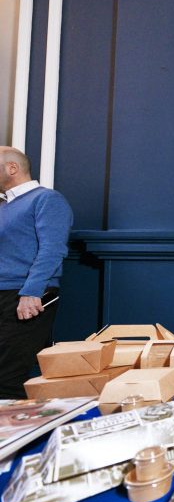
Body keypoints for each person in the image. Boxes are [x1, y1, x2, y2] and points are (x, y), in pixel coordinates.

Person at [0, 147, 73, 398]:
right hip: (4, 294)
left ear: (12, 168)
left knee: (8, 377)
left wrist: (31, 292)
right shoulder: (4, 206)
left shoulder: (47, 199)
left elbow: (52, 250)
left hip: (24, 297)